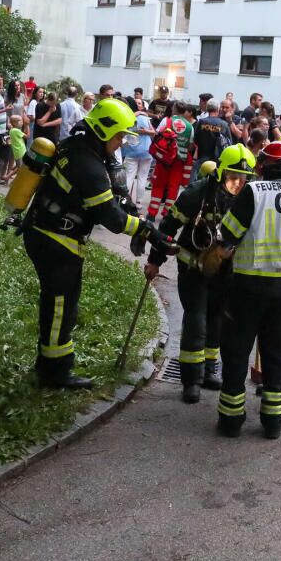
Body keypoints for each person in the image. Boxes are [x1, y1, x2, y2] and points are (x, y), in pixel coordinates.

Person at [22, 99, 174, 389]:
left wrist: (134, 213)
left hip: (48, 233)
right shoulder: (87, 165)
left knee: (61, 304)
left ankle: (50, 363)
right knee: (60, 307)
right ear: (105, 131)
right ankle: (54, 373)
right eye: (119, 136)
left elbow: (115, 194)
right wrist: (147, 230)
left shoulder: (79, 147)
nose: (120, 143)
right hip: (55, 241)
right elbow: (112, 218)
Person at [214, 139, 281, 440]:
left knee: (236, 351)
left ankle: (231, 420)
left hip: (248, 284)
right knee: (276, 353)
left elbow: (227, 235)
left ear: (267, 167)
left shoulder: (254, 191)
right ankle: (273, 422)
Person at [145, 144, 256, 403]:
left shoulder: (247, 197)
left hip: (225, 272)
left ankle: (209, 370)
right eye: (233, 177)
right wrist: (154, 261)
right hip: (193, 268)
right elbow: (169, 227)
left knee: (217, 319)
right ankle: (191, 379)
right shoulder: (197, 193)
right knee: (196, 319)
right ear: (220, 173)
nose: (239, 183)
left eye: (244, 178)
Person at [147, 104, 190, 220]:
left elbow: (157, 135)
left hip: (164, 159)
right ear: (185, 112)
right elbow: (190, 146)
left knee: (158, 185)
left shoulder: (167, 121)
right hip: (179, 161)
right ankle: (166, 213)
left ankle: (152, 214)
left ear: (174, 109)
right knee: (173, 187)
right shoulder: (189, 126)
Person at [121, 108, 156, 210]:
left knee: (129, 177)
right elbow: (154, 132)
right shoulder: (147, 120)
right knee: (143, 178)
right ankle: (139, 202)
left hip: (131, 151)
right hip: (146, 152)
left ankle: (125, 200)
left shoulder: (131, 119)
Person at [193, 99, 231, 179]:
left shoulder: (201, 122)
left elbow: (195, 140)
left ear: (207, 108)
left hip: (202, 158)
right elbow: (229, 143)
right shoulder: (224, 124)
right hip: (217, 162)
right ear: (218, 109)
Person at [6, 115, 26, 180]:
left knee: (20, 165)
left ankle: (10, 171)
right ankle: (7, 176)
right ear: (15, 123)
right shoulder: (16, 131)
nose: (22, 122)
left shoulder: (12, 130)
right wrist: (27, 125)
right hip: (20, 151)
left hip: (18, 151)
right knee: (20, 167)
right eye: (21, 121)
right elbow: (27, 136)